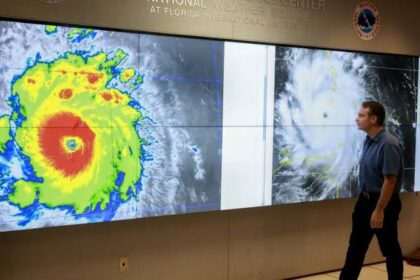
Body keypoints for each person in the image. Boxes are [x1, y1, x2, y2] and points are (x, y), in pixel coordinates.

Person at [340, 101, 404, 280]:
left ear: (374, 119)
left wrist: (379, 210)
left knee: (390, 249)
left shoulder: (389, 144)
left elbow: (390, 180)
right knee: (356, 248)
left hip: (383, 203)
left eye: (361, 116)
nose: (356, 119)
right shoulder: (368, 140)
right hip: (365, 201)